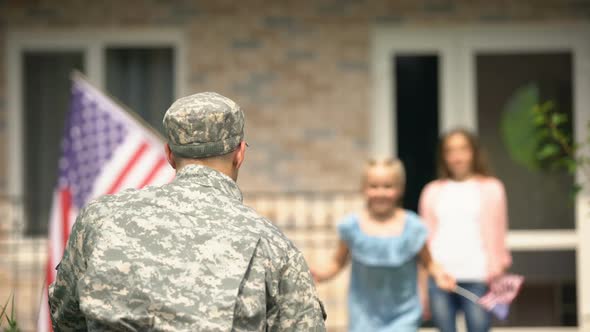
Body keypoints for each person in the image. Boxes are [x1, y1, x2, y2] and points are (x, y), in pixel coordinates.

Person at [49, 92, 327, 331]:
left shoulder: (100, 218)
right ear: (240, 153)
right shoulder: (273, 245)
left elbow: (65, 317)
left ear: (169, 154)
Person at [311, 158, 455, 332]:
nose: (380, 192)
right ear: (363, 189)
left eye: (388, 186)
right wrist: (317, 274)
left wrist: (440, 275)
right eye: (374, 186)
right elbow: (336, 263)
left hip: (403, 315)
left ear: (400, 189)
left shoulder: (413, 228)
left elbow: (429, 263)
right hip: (364, 316)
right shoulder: (351, 228)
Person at [419, 128, 512, 332]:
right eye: (450, 150)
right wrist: (424, 282)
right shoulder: (432, 191)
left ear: (473, 153)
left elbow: (499, 233)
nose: (456, 156)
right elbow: (424, 241)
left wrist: (498, 271)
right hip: (441, 277)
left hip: (478, 276)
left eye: (462, 149)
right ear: (443, 156)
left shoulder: (492, 188)